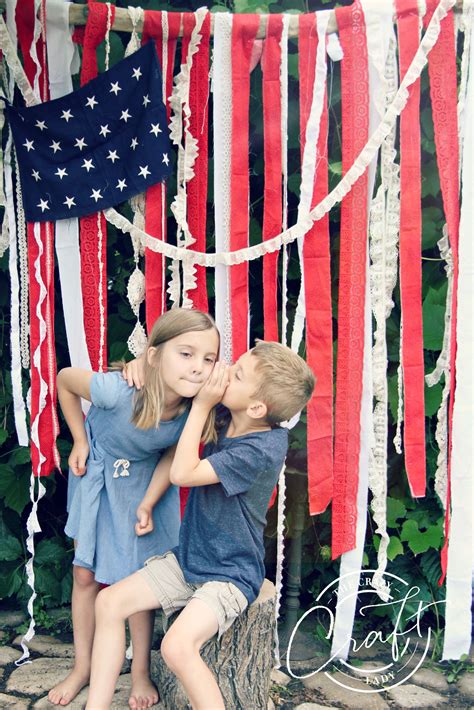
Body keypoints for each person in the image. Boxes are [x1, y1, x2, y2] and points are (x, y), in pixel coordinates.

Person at [85, 341, 315, 709]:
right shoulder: (228, 414)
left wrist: (204, 405)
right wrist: (142, 364)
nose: (223, 370)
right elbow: (179, 389)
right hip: (190, 558)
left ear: (257, 407)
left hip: (230, 573)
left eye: (236, 373)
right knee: (109, 603)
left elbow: (183, 472)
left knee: (178, 647)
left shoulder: (260, 449)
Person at [48, 309, 219, 709]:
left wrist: (148, 501)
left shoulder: (196, 409)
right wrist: (79, 440)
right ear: (155, 356)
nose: (197, 368)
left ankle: (139, 669)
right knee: (86, 574)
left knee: (140, 578)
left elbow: (172, 456)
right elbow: (65, 381)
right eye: (186, 354)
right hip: (99, 475)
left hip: (145, 485)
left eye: (207, 358)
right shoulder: (118, 389)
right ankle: (82, 668)